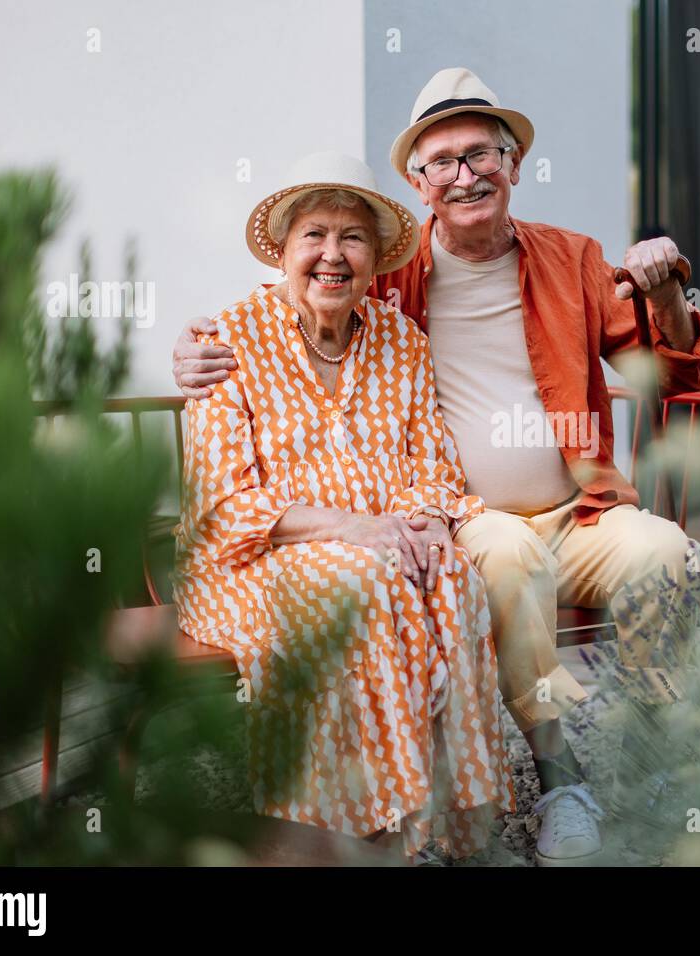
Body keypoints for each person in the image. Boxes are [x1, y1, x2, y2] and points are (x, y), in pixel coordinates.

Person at [173, 68, 700, 866]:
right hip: (474, 523)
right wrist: (193, 347)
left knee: (664, 552)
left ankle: (664, 757)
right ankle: (559, 781)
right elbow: (311, 277)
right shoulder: (394, 276)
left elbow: (672, 376)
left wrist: (668, 292)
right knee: (499, 555)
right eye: (444, 163)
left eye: (481, 154)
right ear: (419, 186)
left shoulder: (574, 260)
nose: (465, 176)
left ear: (513, 164)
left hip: (585, 512)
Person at [173, 151, 512, 862]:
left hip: (383, 540)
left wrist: (419, 525)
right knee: (359, 582)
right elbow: (224, 504)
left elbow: (434, 460)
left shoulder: (401, 340)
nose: (333, 254)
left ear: (373, 258)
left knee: (451, 575)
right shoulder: (229, 340)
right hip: (258, 560)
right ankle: (360, 832)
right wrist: (355, 529)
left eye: (352, 238)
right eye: (314, 236)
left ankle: (458, 827)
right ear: (286, 251)